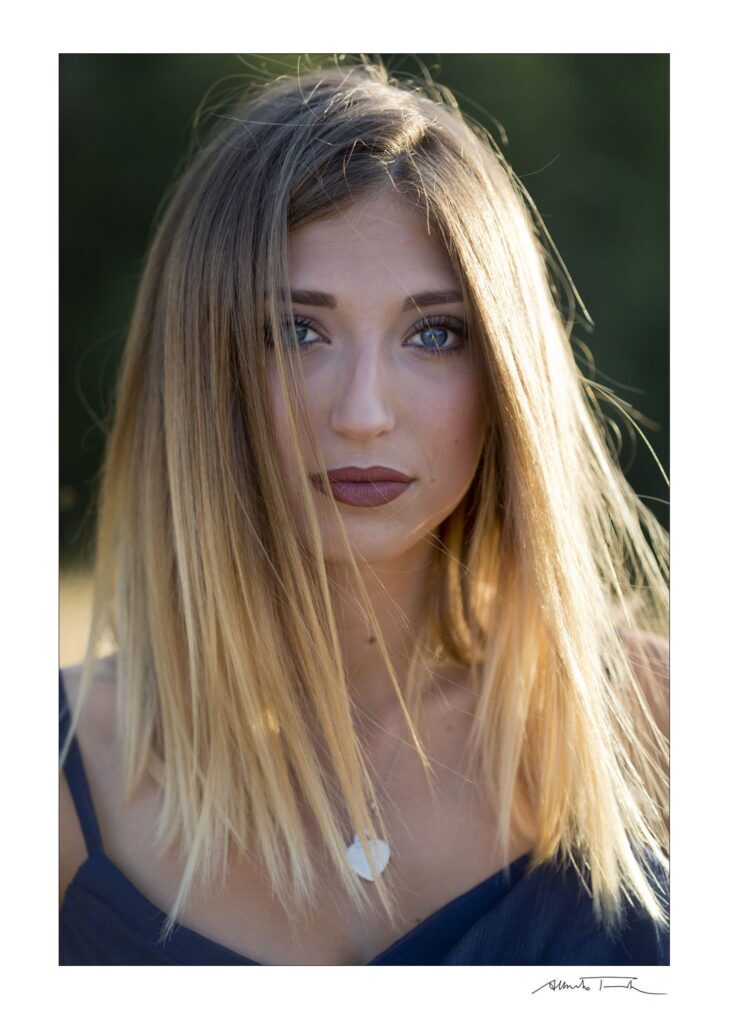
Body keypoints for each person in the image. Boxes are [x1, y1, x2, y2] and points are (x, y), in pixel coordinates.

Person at [59, 58, 669, 966]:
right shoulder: (59, 773)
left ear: (505, 373)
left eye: (434, 333)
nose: (362, 413)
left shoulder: (660, 722)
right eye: (294, 331)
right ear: (200, 368)